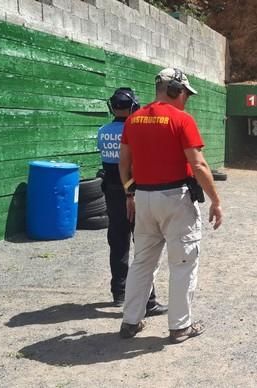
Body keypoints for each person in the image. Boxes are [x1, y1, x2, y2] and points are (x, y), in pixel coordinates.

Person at [118, 68, 224, 343]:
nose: (186, 99)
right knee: (183, 262)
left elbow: (124, 163)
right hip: (175, 199)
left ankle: (130, 322)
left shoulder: (133, 120)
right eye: (186, 94)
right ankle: (180, 327)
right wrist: (216, 200)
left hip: (142, 197)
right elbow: (198, 164)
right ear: (176, 90)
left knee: (142, 262)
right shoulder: (181, 120)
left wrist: (130, 194)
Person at [96, 88, 168, 316]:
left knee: (117, 242)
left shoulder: (102, 131)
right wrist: (131, 193)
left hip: (111, 193)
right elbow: (131, 166)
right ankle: (148, 301)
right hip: (132, 193)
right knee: (145, 245)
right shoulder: (133, 130)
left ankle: (119, 292)